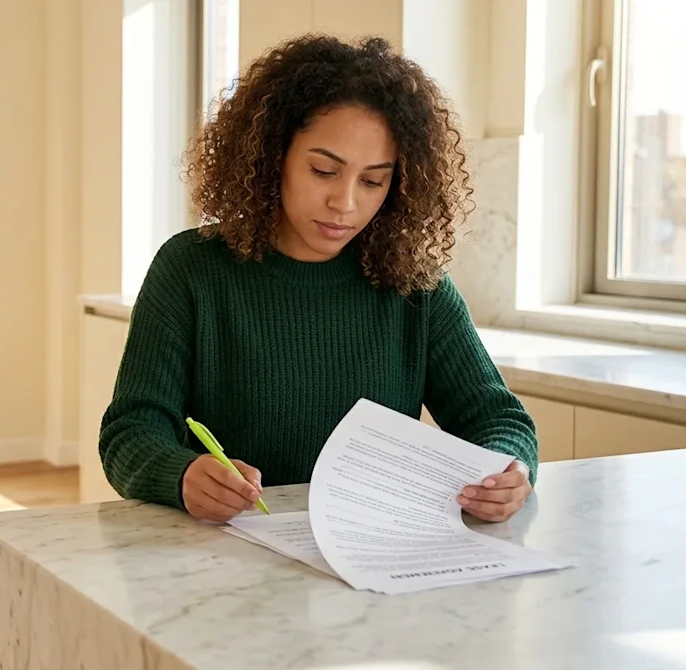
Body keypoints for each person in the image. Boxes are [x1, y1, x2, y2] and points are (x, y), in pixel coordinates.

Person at [98, 34, 537, 526]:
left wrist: (509, 469)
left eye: (373, 180)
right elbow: (131, 431)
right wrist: (181, 474)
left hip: (370, 550)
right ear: (272, 155)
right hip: (229, 556)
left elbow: (497, 419)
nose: (346, 203)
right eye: (324, 170)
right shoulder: (190, 269)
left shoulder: (416, 285)